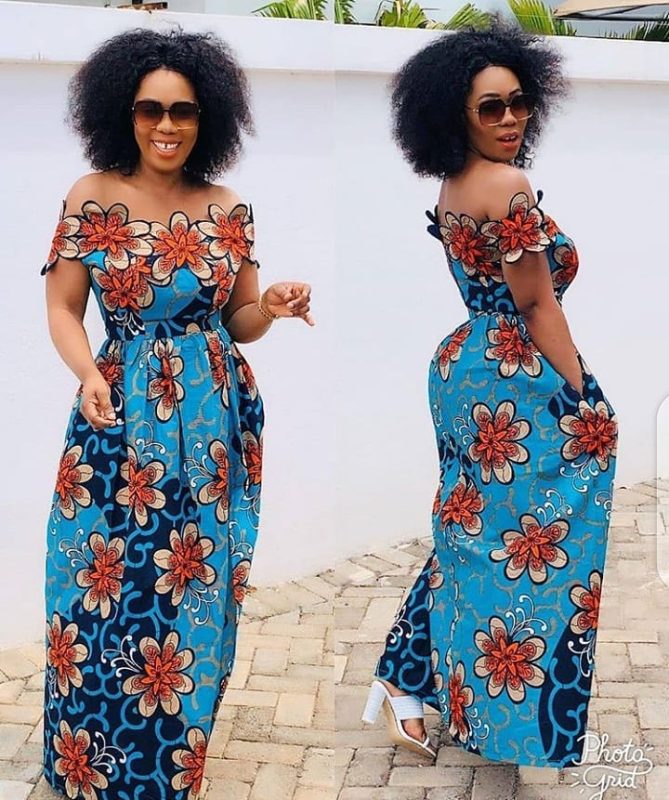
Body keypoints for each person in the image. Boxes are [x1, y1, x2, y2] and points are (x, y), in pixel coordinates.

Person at [40, 27, 313, 799]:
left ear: (206, 117)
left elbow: (238, 320)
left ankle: (166, 767)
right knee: (100, 586)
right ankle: (89, 763)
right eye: (150, 109)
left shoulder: (228, 209)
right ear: (123, 113)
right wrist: (86, 372)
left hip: (213, 420)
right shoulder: (91, 196)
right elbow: (62, 308)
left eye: (183, 111)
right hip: (119, 416)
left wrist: (272, 305)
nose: (166, 125)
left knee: (195, 586)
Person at [361, 17, 619, 768]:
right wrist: (582, 396)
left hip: (466, 370)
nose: (510, 119)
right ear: (457, 115)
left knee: (471, 532)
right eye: (490, 108)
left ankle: (403, 679)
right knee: (527, 537)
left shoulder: (455, 183)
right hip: (514, 375)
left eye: (518, 102)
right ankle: (499, 708)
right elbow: (536, 302)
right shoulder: (507, 187)